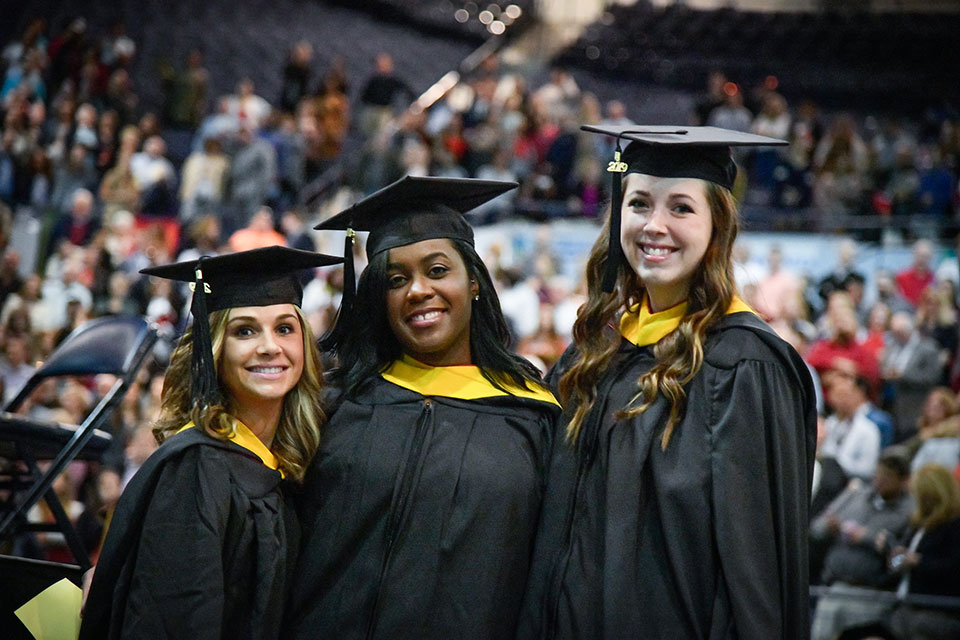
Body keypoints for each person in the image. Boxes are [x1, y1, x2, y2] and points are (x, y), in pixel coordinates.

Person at [517, 125, 817, 639]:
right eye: (639, 205)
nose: (654, 225)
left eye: (680, 208)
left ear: (717, 225)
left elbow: (755, 572)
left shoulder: (747, 367)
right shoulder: (594, 354)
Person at [284, 176, 561, 640]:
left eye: (437, 271)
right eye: (397, 279)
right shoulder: (336, 406)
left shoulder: (534, 418)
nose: (417, 290)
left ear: (473, 281)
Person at [79, 245, 341, 639]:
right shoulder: (197, 468)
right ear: (214, 351)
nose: (270, 345)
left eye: (285, 328)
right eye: (245, 330)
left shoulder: (280, 467)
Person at [887, 463, 960, 640]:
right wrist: (895, 560)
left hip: (936, 612)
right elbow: (900, 559)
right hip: (905, 606)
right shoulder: (918, 524)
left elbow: (954, 568)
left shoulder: (954, 525)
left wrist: (918, 561)